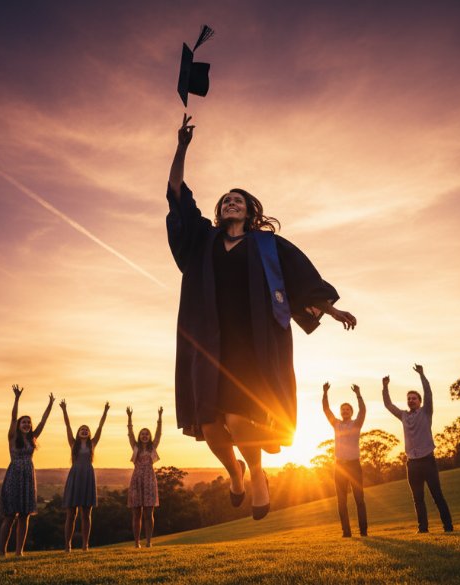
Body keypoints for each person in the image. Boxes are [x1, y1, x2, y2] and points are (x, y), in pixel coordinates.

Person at [166, 114, 358, 520]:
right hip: (208, 341)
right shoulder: (203, 240)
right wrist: (181, 148)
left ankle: (255, 473)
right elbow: (178, 197)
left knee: (237, 417)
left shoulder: (268, 246)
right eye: (225, 200)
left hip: (251, 345)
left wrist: (331, 308)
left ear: (251, 210)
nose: (230, 202)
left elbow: (303, 278)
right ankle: (233, 471)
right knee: (211, 425)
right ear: (219, 212)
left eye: (238, 199)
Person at [382, 364, 454, 533]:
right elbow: (388, 405)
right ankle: (422, 529)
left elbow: (428, 392)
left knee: (437, 496)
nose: (411, 400)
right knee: (417, 498)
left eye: (414, 398)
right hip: (412, 464)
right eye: (409, 398)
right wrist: (385, 387)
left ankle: (448, 527)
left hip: (428, 461)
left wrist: (422, 375)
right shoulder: (403, 416)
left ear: (420, 402)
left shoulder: (426, 412)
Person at [0, 384, 54, 557]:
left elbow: (44, 421)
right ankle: (2, 552)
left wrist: (50, 404)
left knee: (24, 516)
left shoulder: (33, 438)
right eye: (24, 422)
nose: (27, 424)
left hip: (28, 478)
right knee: (10, 515)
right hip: (14, 476)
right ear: (19, 425)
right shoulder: (13, 436)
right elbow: (13, 417)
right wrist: (17, 398)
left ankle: (19, 551)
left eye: (29, 422)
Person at [60, 400, 109, 551]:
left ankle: (85, 544)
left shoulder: (92, 444)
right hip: (75, 477)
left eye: (86, 429)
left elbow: (100, 427)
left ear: (89, 433)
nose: (84, 430)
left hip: (88, 477)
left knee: (86, 514)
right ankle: (68, 545)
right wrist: (64, 410)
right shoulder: (73, 443)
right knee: (71, 514)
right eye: (82, 429)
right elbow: (67, 426)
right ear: (78, 432)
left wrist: (105, 411)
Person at [322, 382, 367, 537]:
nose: (345, 411)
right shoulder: (337, 425)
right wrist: (325, 393)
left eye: (348, 409)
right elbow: (326, 410)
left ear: (351, 412)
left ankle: (363, 532)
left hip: (354, 466)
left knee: (359, 500)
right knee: (341, 502)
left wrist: (358, 394)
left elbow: (363, 410)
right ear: (340, 413)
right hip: (340, 467)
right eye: (343, 410)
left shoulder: (357, 424)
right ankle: (346, 532)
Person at [126, 406, 163, 548]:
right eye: (142, 434)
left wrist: (159, 418)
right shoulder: (135, 447)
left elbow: (159, 434)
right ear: (139, 436)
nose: (145, 435)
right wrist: (129, 417)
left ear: (150, 436)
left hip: (149, 480)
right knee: (136, 514)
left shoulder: (153, 447)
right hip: (136, 480)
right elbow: (130, 434)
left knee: (149, 513)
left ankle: (148, 542)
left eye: (147, 434)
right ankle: (136, 543)